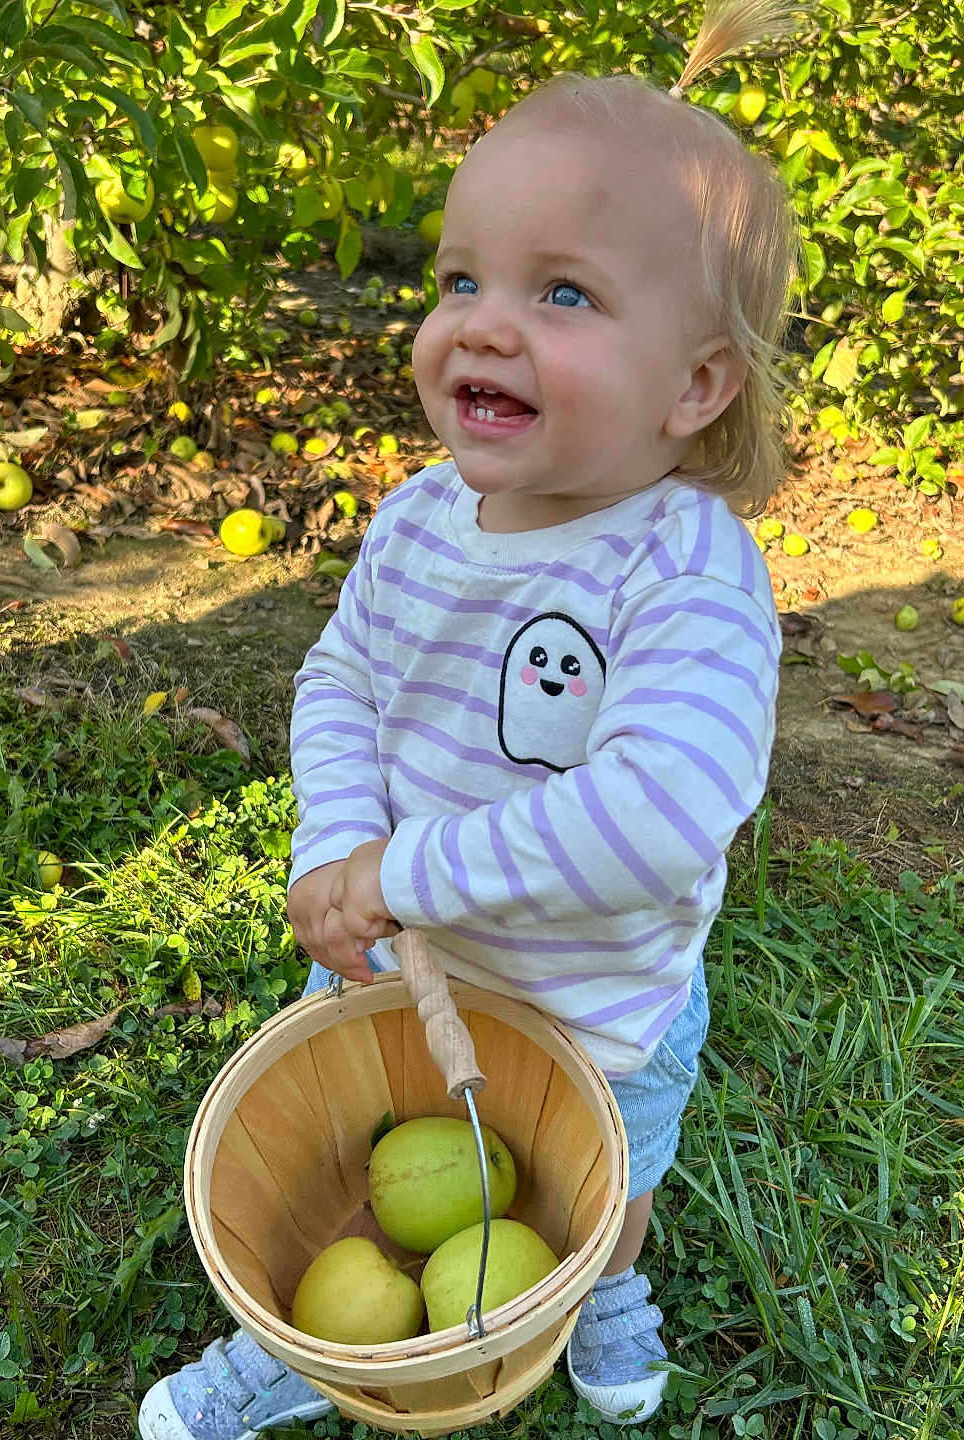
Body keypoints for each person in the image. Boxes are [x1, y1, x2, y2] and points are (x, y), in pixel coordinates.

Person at [140, 2, 804, 1434]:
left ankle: (601, 1281)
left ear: (696, 384)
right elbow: (345, 678)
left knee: (599, 1178)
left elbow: (660, 811)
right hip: (402, 961)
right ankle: (314, 1343)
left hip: (596, 998)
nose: (483, 323)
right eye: (459, 278)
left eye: (563, 294)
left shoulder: (683, 573)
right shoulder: (421, 520)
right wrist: (340, 846)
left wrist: (406, 870)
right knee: (375, 1166)